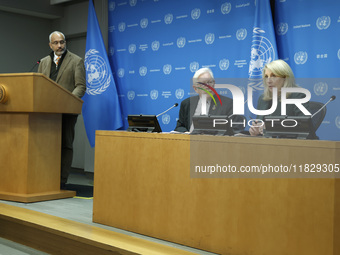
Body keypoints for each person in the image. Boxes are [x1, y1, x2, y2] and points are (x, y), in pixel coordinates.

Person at [38, 31, 86, 188]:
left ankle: (61, 181)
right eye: (56, 43)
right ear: (50, 45)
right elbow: (39, 85)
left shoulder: (76, 61)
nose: (60, 45)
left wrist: (68, 101)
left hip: (67, 111)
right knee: (46, 144)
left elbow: (80, 86)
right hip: (47, 112)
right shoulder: (44, 62)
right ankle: (45, 177)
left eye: (62, 42)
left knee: (65, 145)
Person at [249, 59, 309, 136]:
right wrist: (255, 131)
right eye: (266, 76)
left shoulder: (297, 96)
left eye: (273, 76)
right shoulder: (263, 99)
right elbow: (261, 128)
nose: (269, 81)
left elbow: (305, 127)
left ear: (285, 78)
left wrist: (271, 127)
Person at [175, 67, 243, 133]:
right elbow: (180, 127)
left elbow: (235, 129)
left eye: (210, 82)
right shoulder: (187, 103)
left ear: (214, 84)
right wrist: (186, 133)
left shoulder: (229, 104)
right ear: (195, 88)